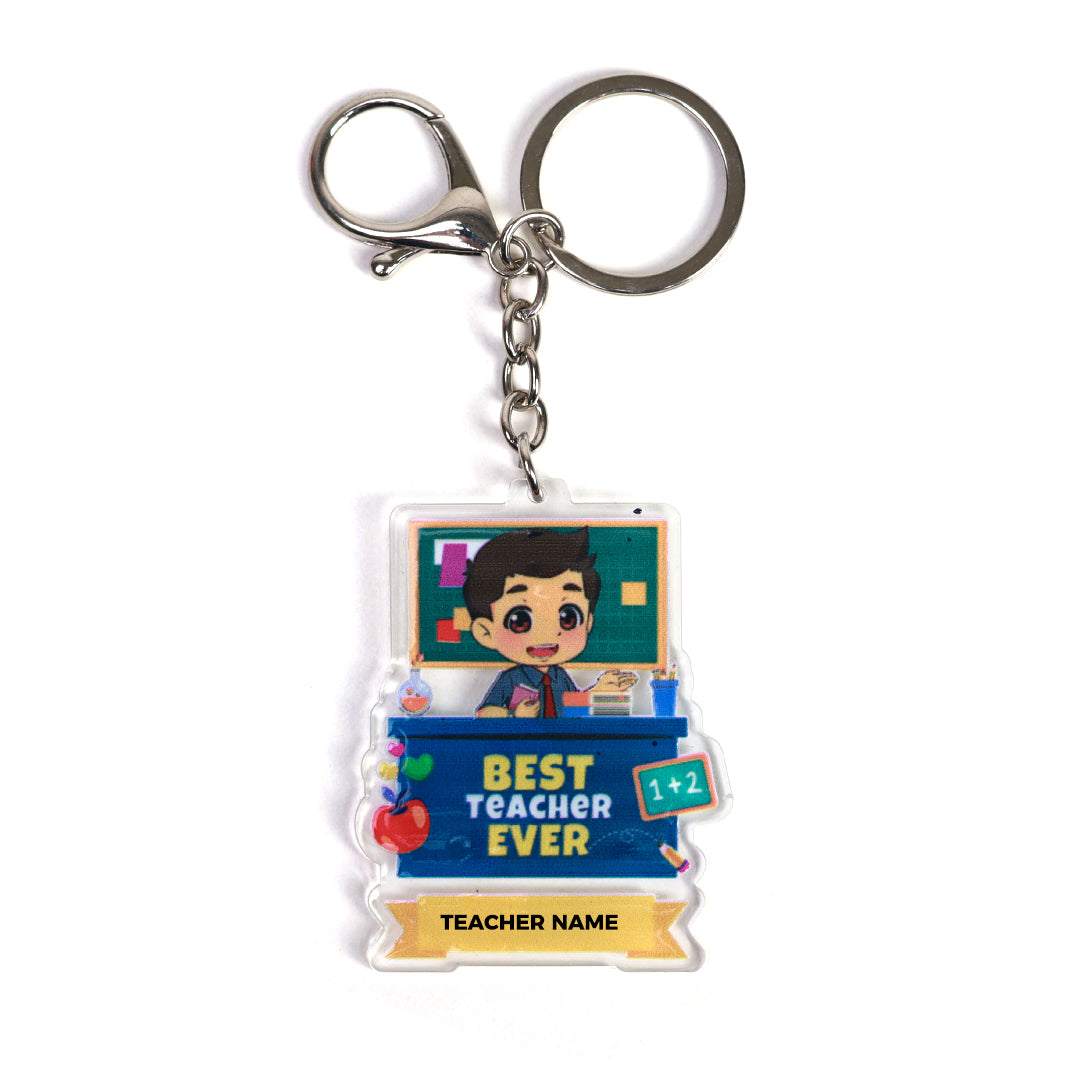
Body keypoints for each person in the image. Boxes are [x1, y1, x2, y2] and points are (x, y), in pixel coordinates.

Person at [463, 527, 637, 718]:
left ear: (588, 623)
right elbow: (484, 712)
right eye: (520, 621)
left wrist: (599, 690)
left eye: (568, 618)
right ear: (486, 632)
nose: (547, 633)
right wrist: (514, 715)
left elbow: (573, 706)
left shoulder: (559, 676)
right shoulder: (512, 678)